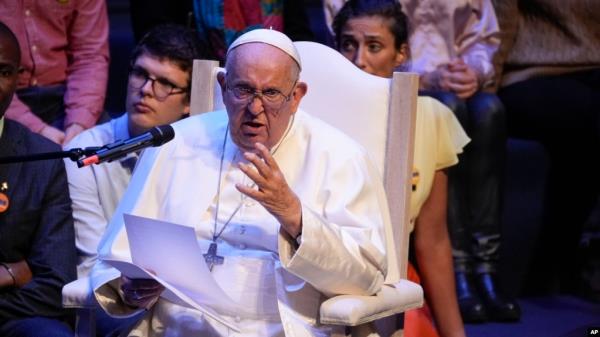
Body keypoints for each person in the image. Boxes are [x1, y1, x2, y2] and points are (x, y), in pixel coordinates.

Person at [89, 28, 390, 336]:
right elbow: (115, 258)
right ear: (223, 85)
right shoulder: (177, 144)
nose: (255, 109)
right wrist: (129, 290)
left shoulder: (341, 158)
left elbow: (366, 276)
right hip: (179, 329)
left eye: (271, 93)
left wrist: (295, 217)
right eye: (243, 90)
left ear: (296, 96)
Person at [333, 1, 468, 336]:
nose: (359, 59)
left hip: (390, 279)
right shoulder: (318, 117)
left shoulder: (432, 118)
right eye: (348, 44)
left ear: (400, 53)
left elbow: (432, 241)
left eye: (374, 46)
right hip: (325, 272)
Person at [64, 24, 202, 337]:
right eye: (141, 74)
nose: (147, 90)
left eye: (165, 83)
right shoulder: (82, 155)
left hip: (185, 307)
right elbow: (91, 258)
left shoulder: (199, 157)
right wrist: (128, 287)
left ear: (188, 104)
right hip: (112, 302)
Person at [494, 0, 600, 296]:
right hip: (532, 73)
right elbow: (501, 21)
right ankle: (560, 263)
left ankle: (564, 263)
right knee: (587, 120)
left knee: (584, 139)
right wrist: (485, 89)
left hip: (593, 75)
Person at [0, 22, 77, 337]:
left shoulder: (43, 159)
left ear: (18, 79)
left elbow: (55, 284)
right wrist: (13, 271)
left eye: (3, 72)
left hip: (12, 317)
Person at [0, 0, 109, 145]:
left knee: (106, 145)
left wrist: (78, 124)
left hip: (66, 96)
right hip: (8, 97)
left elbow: (90, 54)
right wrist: (39, 130)